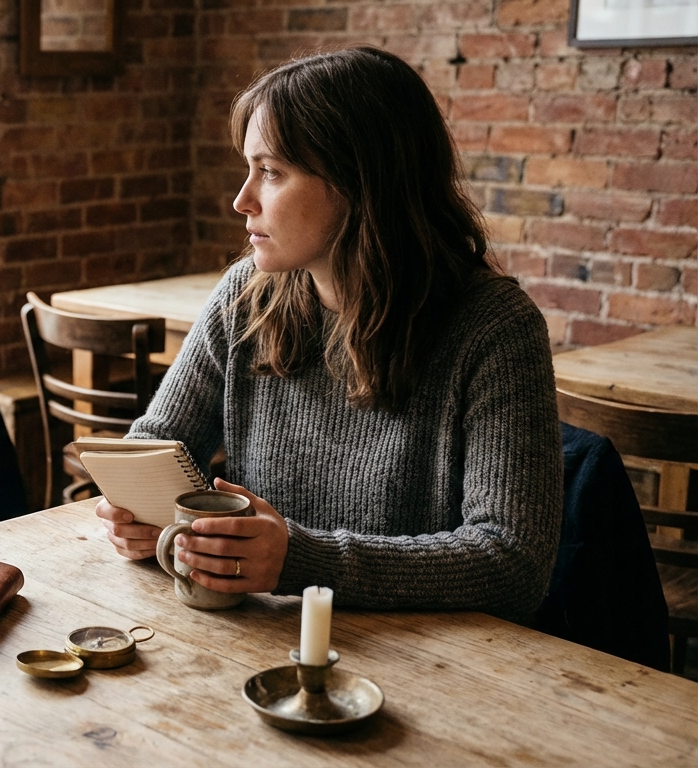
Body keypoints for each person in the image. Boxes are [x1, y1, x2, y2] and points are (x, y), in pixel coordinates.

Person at [97, 47, 562, 621]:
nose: (241, 200)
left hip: (429, 662)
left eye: (270, 172)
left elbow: (512, 562)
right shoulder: (247, 295)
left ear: (358, 182)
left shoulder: (494, 329)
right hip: (257, 638)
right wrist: (138, 514)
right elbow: (158, 444)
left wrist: (303, 561)